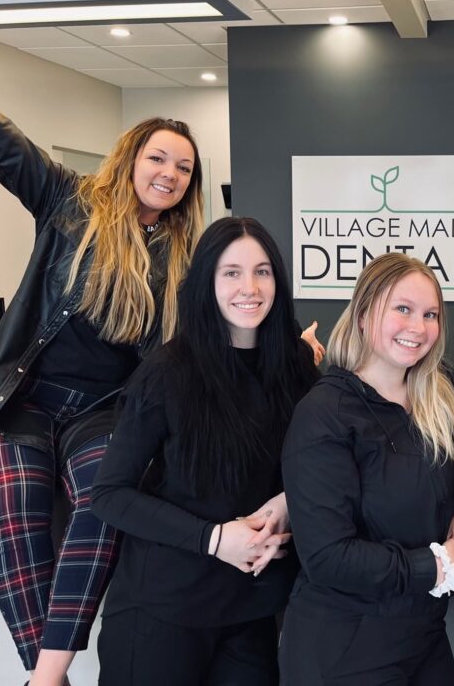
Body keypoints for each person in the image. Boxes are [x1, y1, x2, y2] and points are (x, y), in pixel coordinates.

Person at [0, 0, 325, 686]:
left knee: (102, 509)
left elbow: (208, 346)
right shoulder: (67, 200)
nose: (170, 173)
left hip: (102, 408)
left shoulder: (186, 259)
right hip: (20, 399)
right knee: (15, 529)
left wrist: (284, 348)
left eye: (184, 168)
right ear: (131, 157)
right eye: (159, 157)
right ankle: (48, 674)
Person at [91, 216, 320, 685]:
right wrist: (215, 539)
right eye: (231, 272)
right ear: (206, 283)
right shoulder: (168, 371)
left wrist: (287, 504)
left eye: (262, 271)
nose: (249, 287)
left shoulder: (296, 367)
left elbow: (322, 468)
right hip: (162, 612)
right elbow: (109, 494)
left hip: (250, 612)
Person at [278, 253, 454, 685]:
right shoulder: (324, 412)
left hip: (423, 632)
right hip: (344, 645)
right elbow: (328, 557)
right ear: (365, 314)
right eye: (402, 309)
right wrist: (437, 566)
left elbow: (453, 485)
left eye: (430, 314)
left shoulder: (441, 395)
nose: (418, 327)